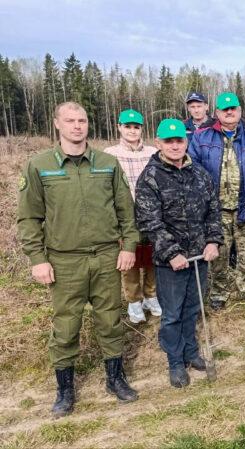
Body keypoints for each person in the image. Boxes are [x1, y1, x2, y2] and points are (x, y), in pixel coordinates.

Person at [17, 101, 139, 417]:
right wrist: (37, 259)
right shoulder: (40, 165)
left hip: (106, 257)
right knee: (66, 325)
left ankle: (115, 378)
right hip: (64, 262)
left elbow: (126, 210)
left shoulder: (107, 163)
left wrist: (129, 246)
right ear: (57, 124)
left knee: (110, 320)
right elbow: (29, 218)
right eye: (70, 121)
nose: (77, 126)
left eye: (82, 120)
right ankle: (65, 389)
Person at [135, 118, 223, 388]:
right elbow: (149, 222)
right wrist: (172, 253)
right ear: (158, 143)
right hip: (170, 263)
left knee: (192, 308)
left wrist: (213, 241)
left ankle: (191, 352)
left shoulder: (199, 173)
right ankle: (175, 362)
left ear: (186, 142)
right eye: (169, 141)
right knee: (172, 314)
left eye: (179, 140)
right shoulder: (150, 177)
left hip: (199, 257)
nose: (175, 146)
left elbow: (213, 210)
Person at [188, 92, 245, 310]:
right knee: (219, 254)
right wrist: (202, 200)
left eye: (233, 108)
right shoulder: (201, 137)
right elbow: (193, 170)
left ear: (239, 111)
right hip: (216, 210)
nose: (229, 112)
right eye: (225, 109)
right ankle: (219, 292)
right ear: (217, 113)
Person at [104, 109, 161, 324]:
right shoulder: (110, 154)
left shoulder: (153, 152)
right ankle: (134, 300)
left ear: (141, 129)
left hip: (151, 213)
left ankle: (151, 295)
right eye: (127, 126)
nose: (132, 131)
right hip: (125, 216)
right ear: (119, 127)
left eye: (136, 127)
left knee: (153, 256)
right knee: (130, 259)